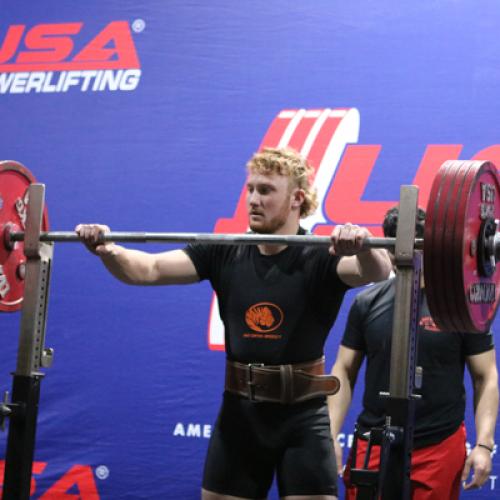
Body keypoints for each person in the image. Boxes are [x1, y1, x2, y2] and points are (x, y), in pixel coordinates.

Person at [76, 147, 392, 500]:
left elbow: (378, 270)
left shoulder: (321, 254)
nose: (254, 199)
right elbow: (147, 270)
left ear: (296, 199)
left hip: (303, 417)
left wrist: (362, 245)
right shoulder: (224, 250)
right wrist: (108, 249)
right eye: (251, 189)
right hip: (240, 416)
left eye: (266, 190)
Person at [328, 206, 499, 500]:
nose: (408, 254)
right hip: (374, 442)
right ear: (388, 249)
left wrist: (483, 444)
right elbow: (344, 369)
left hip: (438, 445)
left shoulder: (459, 307)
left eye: (417, 244)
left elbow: (486, 377)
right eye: (396, 245)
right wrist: (330, 436)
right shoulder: (366, 303)